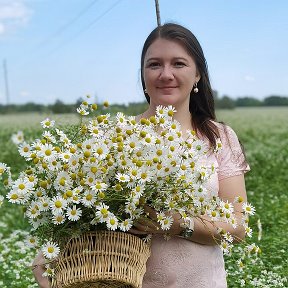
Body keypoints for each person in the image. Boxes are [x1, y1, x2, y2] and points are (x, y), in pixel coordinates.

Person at [32, 23, 250, 288]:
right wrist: (46, 257)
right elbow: (79, 208)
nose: (166, 74)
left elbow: (237, 229)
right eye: (155, 64)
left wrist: (178, 224)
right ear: (143, 74)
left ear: (198, 75)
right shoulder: (114, 136)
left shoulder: (219, 138)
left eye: (179, 64)